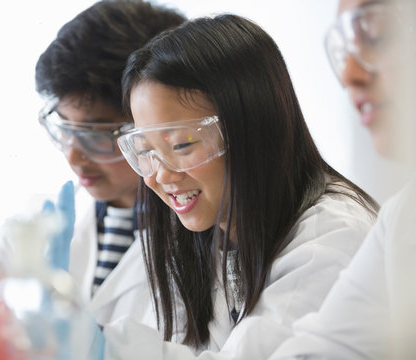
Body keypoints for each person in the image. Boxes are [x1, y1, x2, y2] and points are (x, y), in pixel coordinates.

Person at [102, 13, 379, 359]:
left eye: (182, 146)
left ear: (252, 128)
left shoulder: (333, 236)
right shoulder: (206, 236)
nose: (160, 175)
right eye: (144, 151)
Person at [270, 0, 416, 358]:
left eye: (377, 35)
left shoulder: (333, 227)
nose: (349, 74)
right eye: (343, 51)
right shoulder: (403, 214)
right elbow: (329, 346)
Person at [34, 0, 186, 328]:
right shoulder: (47, 220)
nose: (73, 156)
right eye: (65, 127)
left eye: (97, 134)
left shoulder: (207, 233)